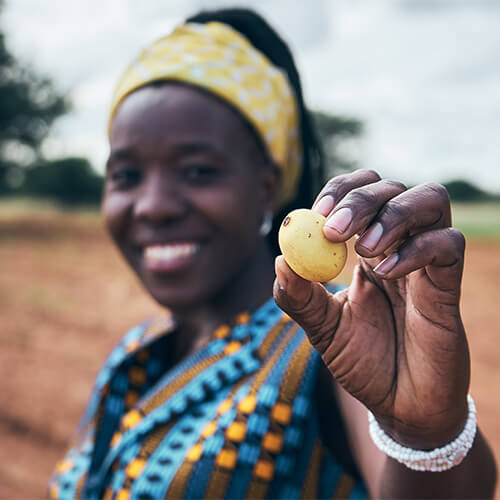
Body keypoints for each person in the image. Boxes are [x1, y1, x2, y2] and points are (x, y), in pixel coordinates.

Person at [48, 8, 496, 499]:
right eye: (126, 176)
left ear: (268, 186)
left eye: (198, 170)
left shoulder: (334, 344)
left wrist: (424, 436)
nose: (153, 207)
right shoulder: (134, 355)